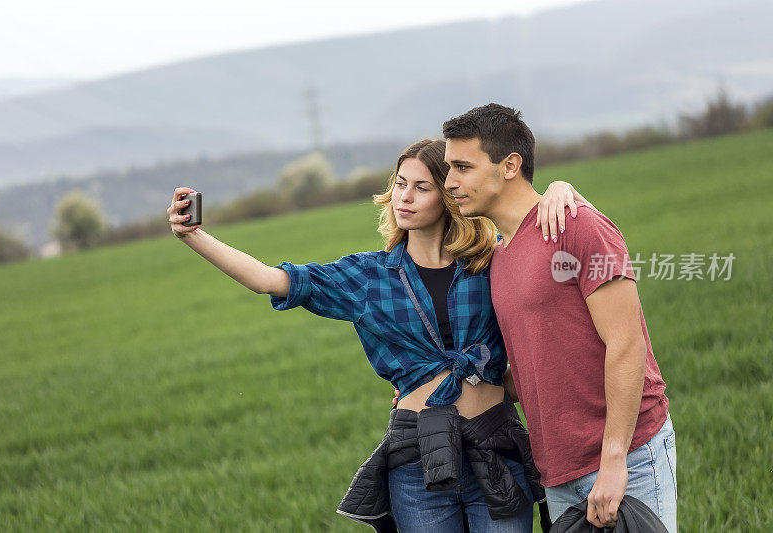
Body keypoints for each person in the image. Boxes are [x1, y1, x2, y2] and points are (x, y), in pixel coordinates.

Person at [166, 139, 593, 532]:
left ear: (448, 197)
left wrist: (559, 187)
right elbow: (269, 280)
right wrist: (194, 236)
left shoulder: (490, 262)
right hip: (418, 460)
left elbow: (552, 249)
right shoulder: (368, 277)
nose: (404, 197)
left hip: (495, 448)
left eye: (421, 187)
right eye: (400, 184)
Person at [436, 104, 676, 532]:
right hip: (557, 472)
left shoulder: (577, 226)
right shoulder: (499, 255)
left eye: (462, 167)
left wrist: (614, 460)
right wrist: (434, 389)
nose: (449, 181)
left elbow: (628, 343)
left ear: (510, 165)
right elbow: (531, 368)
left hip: (627, 458)